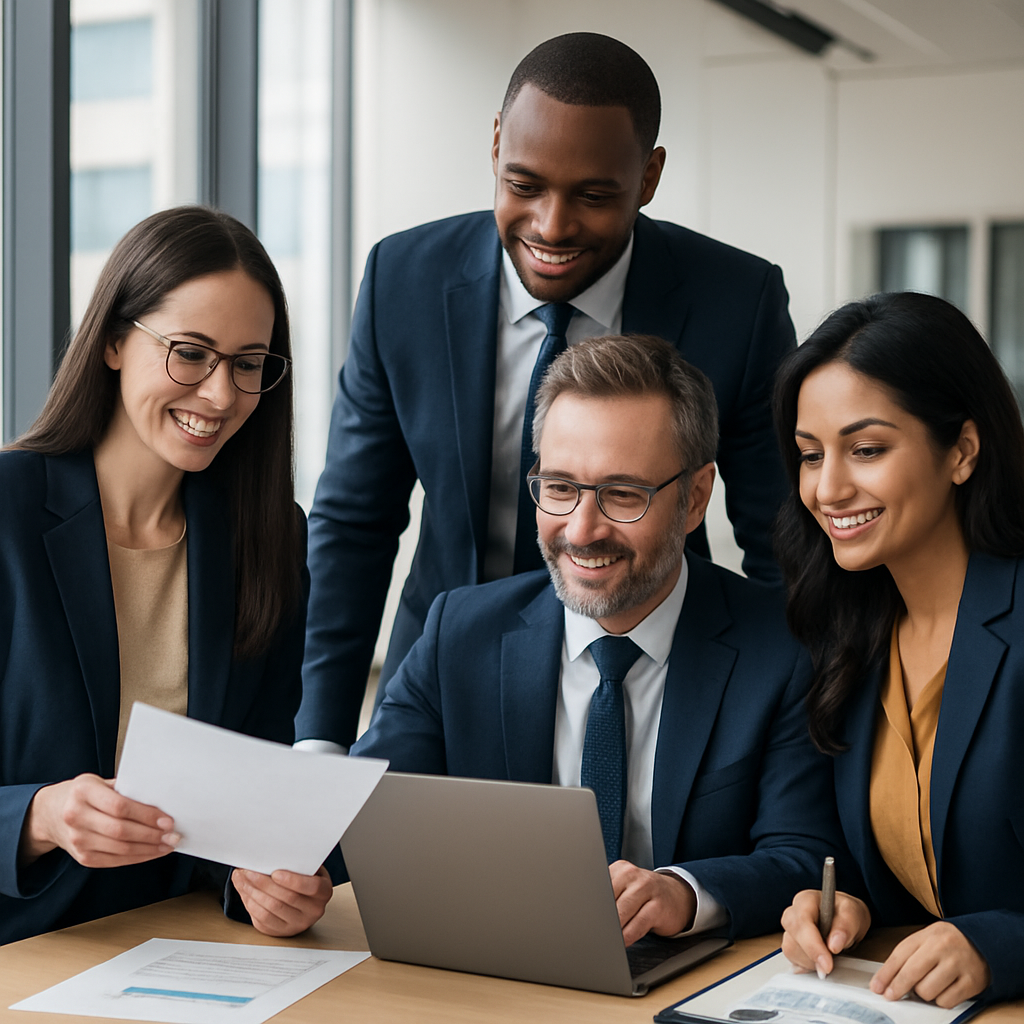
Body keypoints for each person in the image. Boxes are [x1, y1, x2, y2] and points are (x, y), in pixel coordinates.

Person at [296, 31, 797, 754]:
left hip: (660, 683)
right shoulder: (403, 280)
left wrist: (779, 713)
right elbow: (353, 525)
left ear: (649, 177)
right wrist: (320, 739)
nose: (551, 227)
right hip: (447, 687)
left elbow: (779, 542)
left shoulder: (736, 302)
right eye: (523, 185)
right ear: (496, 143)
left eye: (593, 196)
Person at [348, 334, 840, 944]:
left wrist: (682, 893)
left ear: (695, 498)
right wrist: (277, 877)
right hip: (500, 974)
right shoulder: (460, 632)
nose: (582, 530)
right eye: (559, 488)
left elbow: (803, 857)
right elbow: (358, 811)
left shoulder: (786, 647)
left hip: (689, 984)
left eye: (623, 494)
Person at [0, 206, 332, 945]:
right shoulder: (9, 514)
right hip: (22, 948)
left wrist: (269, 883)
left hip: (180, 953)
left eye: (248, 364)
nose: (220, 395)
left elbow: (252, 797)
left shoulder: (269, 537)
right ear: (116, 340)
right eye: (190, 353)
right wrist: (38, 816)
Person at [774, 292, 1024, 1005]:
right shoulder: (849, 634)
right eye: (810, 455)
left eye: (867, 450)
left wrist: (1000, 945)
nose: (828, 488)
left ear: (963, 451)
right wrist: (845, 905)